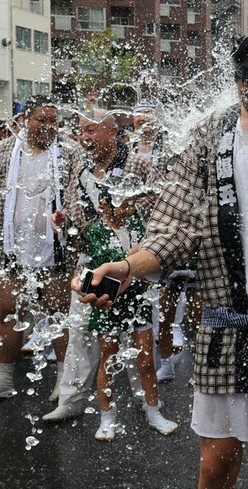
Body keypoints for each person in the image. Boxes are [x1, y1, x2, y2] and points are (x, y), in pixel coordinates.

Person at [75, 24, 248, 489]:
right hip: (221, 328)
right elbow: (172, 227)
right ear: (236, 84)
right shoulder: (207, 138)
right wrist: (127, 265)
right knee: (215, 468)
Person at [64, 110, 176, 440]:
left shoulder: (138, 170)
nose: (85, 137)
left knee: (144, 357)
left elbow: (163, 203)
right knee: (107, 355)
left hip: (137, 284)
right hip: (106, 291)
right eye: (81, 130)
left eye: (92, 130)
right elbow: (78, 224)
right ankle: (106, 416)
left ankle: (152, 410)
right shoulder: (85, 181)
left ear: (113, 132)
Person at [0, 96, 79, 403]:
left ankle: (63, 379)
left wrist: (68, 213)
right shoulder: (4, 150)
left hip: (55, 247)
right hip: (14, 246)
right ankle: (3, 379)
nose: (47, 127)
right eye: (40, 120)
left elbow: (77, 193)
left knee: (58, 315)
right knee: (8, 312)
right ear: (25, 120)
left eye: (52, 121)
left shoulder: (69, 151)